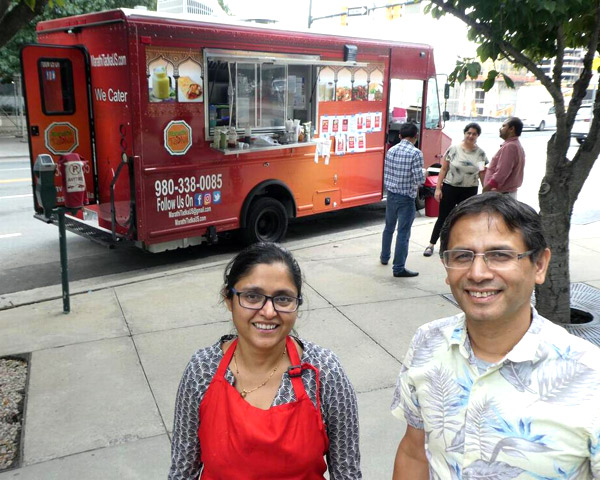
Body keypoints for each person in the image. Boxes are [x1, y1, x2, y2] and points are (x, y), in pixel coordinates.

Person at [391, 192, 600, 478]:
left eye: (499, 255)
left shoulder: (590, 376)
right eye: (462, 256)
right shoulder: (427, 343)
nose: (477, 273)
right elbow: (415, 452)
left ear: (539, 265)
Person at [168, 242, 362, 480]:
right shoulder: (202, 370)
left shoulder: (324, 372)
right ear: (228, 299)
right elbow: (182, 472)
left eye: (283, 299)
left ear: (297, 305)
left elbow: (348, 474)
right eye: (252, 296)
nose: (269, 312)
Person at [423, 122, 488, 257]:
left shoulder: (480, 153)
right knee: (443, 218)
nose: (470, 136)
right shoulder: (453, 149)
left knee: (466, 219)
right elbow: (444, 169)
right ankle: (431, 244)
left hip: (469, 190)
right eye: (468, 133)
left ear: (478, 136)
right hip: (450, 188)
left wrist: (485, 192)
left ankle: (463, 247)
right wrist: (438, 189)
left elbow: (482, 173)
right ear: (464, 133)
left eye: (474, 134)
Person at [380, 122, 425, 277]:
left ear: (399, 135)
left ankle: (384, 257)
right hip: (406, 198)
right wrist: (424, 173)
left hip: (391, 196)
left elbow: (387, 172)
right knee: (403, 233)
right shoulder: (416, 153)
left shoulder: (391, 150)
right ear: (415, 136)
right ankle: (398, 268)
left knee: (388, 228)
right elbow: (419, 179)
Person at [483, 117, 525, 198]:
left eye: (503, 126)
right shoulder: (514, 145)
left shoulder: (510, 146)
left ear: (511, 129)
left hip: (502, 195)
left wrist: (487, 188)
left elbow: (502, 173)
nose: (500, 129)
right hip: (505, 194)